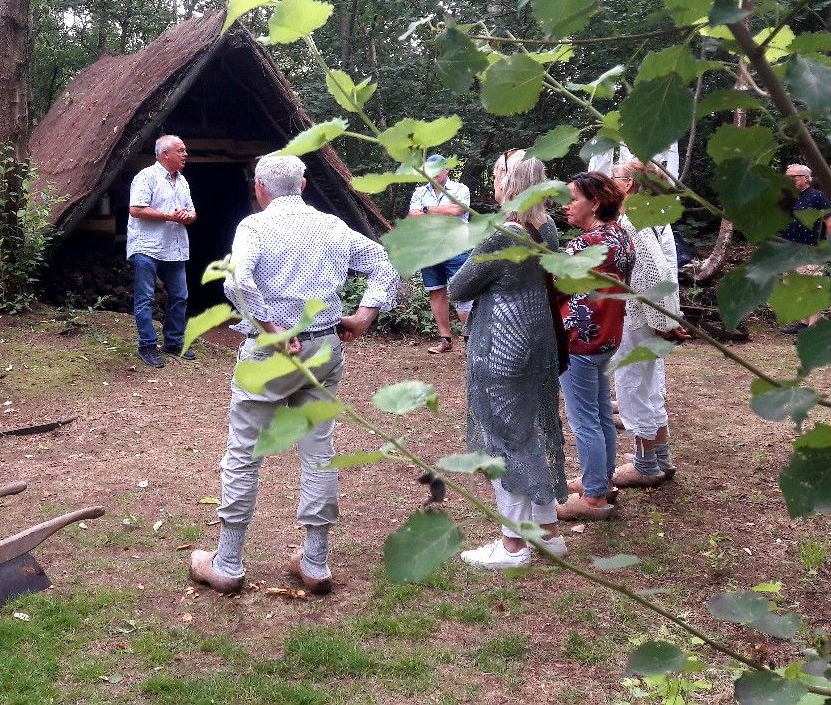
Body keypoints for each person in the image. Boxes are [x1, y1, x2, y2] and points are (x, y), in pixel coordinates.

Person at [189, 153, 399, 595]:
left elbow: (237, 283)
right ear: (303, 185)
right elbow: (384, 262)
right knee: (319, 450)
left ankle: (227, 563)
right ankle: (316, 562)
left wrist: (272, 328)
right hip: (324, 347)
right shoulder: (331, 227)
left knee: (245, 451)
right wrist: (364, 316)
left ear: (260, 189)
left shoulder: (255, 227)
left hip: (271, 353)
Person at [449, 151, 569, 569]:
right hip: (538, 343)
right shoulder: (547, 227)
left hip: (502, 346)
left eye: (499, 175)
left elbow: (459, 287)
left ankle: (512, 544)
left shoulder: (504, 233)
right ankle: (547, 533)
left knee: (503, 440)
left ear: (510, 183)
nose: (494, 182)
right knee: (529, 431)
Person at [557, 172, 635, 521]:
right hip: (607, 337)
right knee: (601, 412)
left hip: (580, 342)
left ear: (596, 202)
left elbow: (556, 286)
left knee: (584, 419)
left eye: (573, 198)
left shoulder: (584, 245)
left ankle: (593, 499)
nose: (566, 205)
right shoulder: (621, 237)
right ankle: (601, 481)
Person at [609, 161, 686, 489]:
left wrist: (660, 319)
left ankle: (645, 465)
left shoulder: (633, 221)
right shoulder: (653, 218)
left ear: (628, 185)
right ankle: (659, 456)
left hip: (638, 316)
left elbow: (652, 273)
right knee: (649, 385)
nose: (610, 182)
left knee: (633, 386)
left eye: (614, 178)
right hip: (650, 316)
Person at [128, 135, 196, 368]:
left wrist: (187, 217)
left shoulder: (183, 181)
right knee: (145, 297)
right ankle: (147, 346)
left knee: (180, 295)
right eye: (181, 150)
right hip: (148, 246)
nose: (185, 154)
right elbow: (136, 209)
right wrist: (169, 216)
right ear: (165, 154)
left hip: (174, 247)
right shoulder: (146, 176)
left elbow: (192, 212)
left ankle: (173, 343)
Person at [408, 153, 472, 354]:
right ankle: (445, 339)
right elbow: (413, 215)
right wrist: (438, 211)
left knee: (464, 291)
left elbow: (457, 211)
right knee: (436, 291)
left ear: (447, 169)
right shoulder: (419, 191)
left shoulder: (460, 189)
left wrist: (427, 210)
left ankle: (470, 340)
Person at [779, 164, 831, 333]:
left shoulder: (817, 197)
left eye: (793, 177)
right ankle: (804, 323)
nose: (789, 180)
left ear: (806, 178)